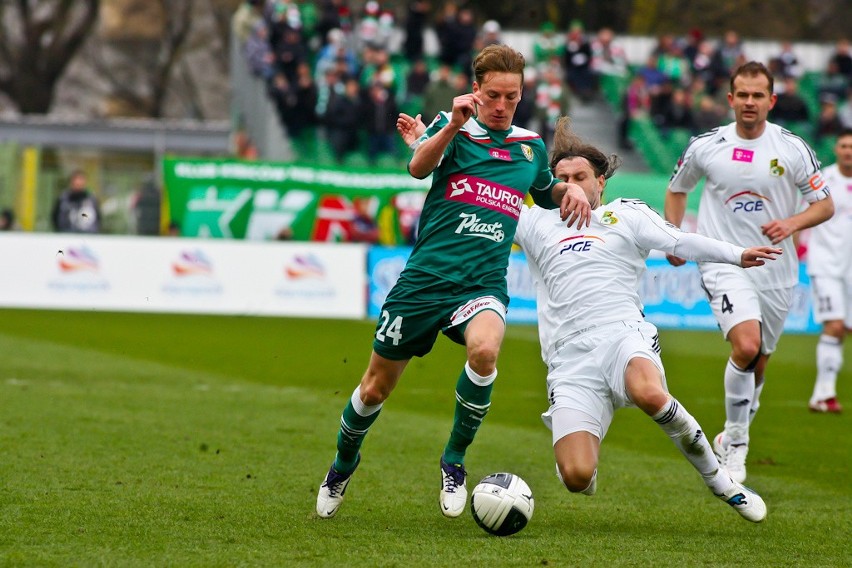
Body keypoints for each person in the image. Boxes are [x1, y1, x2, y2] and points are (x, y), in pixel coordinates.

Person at [397, 113, 772, 523]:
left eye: (582, 176)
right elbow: (477, 195)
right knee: (576, 476)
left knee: (649, 392)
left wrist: (737, 254)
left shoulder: (625, 214)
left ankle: (722, 482)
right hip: (569, 360)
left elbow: (680, 239)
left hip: (623, 335)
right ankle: (583, 461)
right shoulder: (535, 220)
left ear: (601, 183)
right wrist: (423, 145)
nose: (573, 185)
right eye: (564, 178)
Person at [315, 44, 592, 520]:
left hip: (480, 283)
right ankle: (342, 464)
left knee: (485, 350)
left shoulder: (530, 146)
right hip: (424, 282)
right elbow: (418, 167)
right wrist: (453, 125)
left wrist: (573, 192)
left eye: (512, 96)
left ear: (522, 93)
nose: (502, 105)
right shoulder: (455, 126)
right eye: (493, 95)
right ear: (476, 91)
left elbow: (544, 190)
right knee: (374, 388)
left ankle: (455, 461)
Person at [663, 61, 835, 483]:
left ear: (771, 100)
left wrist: (791, 224)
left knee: (759, 362)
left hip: (777, 268)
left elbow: (824, 204)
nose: (750, 102)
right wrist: (673, 236)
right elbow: (677, 188)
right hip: (724, 261)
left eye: (758, 95)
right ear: (730, 99)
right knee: (746, 346)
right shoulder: (707, 145)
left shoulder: (792, 148)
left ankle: (731, 435)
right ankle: (737, 444)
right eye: (742, 94)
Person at [805, 128, 852, 413]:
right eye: (844, 145)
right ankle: (822, 395)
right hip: (826, 264)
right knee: (833, 325)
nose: (848, 150)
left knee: (843, 329)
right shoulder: (823, 182)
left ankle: (826, 393)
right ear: (836, 149)